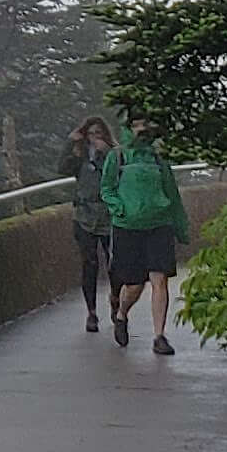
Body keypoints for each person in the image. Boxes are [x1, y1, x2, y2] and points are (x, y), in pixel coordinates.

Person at [102, 115, 188, 355]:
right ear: (129, 129)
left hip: (159, 225)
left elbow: (172, 195)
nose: (143, 129)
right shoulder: (117, 157)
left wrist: (181, 228)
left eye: (146, 124)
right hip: (128, 227)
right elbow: (106, 188)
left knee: (159, 279)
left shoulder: (159, 160)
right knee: (135, 284)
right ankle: (122, 314)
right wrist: (119, 208)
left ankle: (159, 336)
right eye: (137, 124)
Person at [63, 115, 118, 326]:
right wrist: (71, 142)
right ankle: (91, 312)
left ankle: (115, 301)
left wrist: (107, 153)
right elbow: (62, 168)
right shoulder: (80, 157)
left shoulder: (112, 156)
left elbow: (118, 176)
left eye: (98, 134)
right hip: (84, 216)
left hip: (108, 216)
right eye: (91, 134)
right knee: (89, 263)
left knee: (114, 262)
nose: (95, 139)